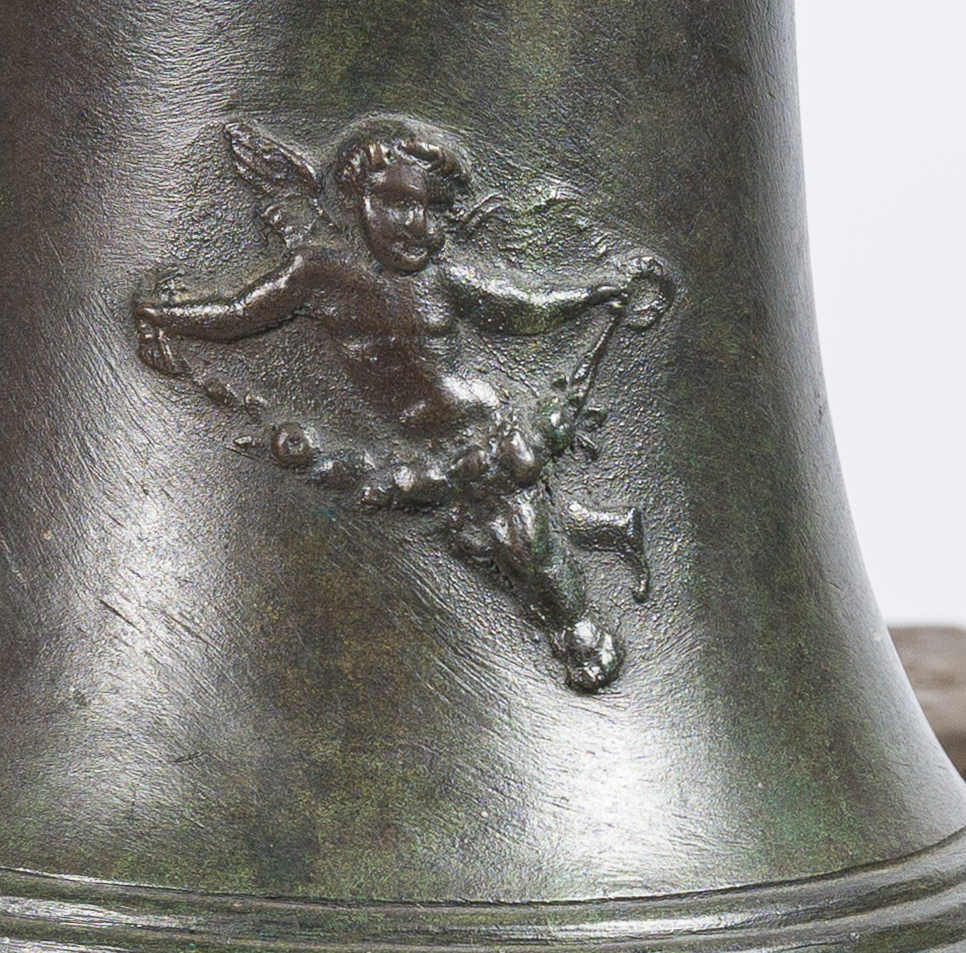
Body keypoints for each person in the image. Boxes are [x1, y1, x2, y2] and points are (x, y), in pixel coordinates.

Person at [136, 120, 675, 690]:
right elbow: (242, 312)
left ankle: (582, 636)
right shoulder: (319, 273)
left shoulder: (438, 275)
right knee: (480, 541)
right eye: (393, 202)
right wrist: (167, 315)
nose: (411, 223)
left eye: (425, 208)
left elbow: (521, 304)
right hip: (435, 446)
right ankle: (611, 529)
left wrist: (592, 292)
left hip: (484, 433)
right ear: (355, 201)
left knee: (519, 546)